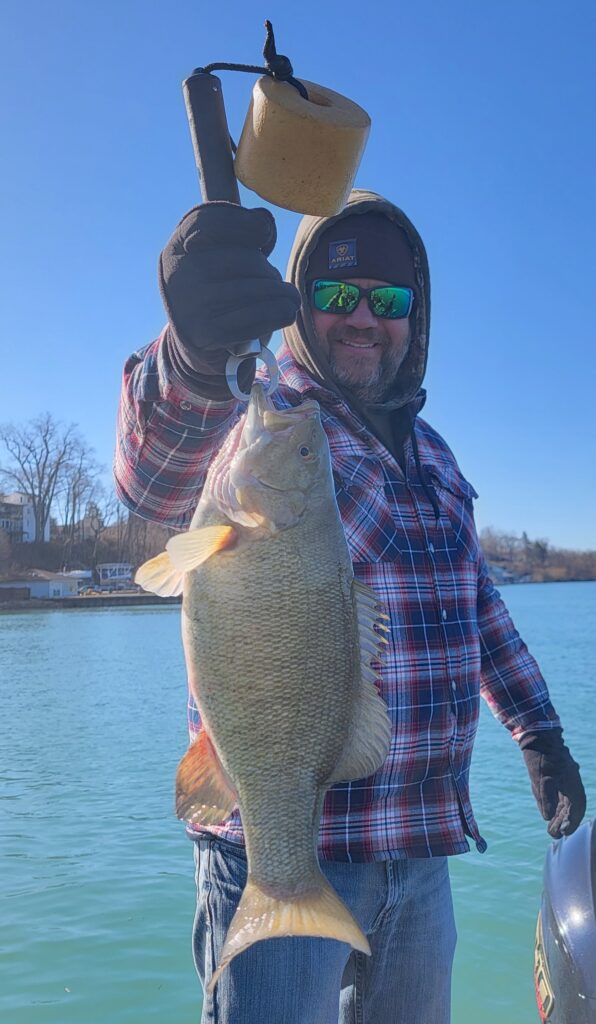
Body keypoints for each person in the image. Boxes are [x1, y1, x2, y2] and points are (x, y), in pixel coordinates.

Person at [115, 190, 586, 1024]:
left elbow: (478, 607)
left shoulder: (434, 455)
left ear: (416, 317)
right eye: (336, 296)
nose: (364, 317)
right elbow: (155, 474)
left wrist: (539, 732)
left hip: (422, 848)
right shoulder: (266, 408)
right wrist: (190, 360)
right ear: (300, 308)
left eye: (390, 299)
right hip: (286, 839)